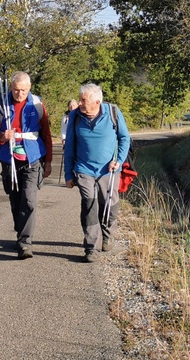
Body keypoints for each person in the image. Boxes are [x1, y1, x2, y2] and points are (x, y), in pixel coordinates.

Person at [0, 71, 54, 260]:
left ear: (29, 88)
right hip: (9, 159)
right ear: (10, 88)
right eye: (16, 90)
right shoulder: (0, 105)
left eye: (23, 90)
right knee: (15, 200)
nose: (19, 94)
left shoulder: (37, 104)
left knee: (29, 199)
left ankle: (25, 243)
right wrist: (1, 137)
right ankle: (21, 229)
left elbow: (47, 134)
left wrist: (48, 161)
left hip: (33, 158)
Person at [63, 83, 131, 263]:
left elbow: (124, 138)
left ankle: (107, 235)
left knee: (109, 204)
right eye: (80, 99)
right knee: (89, 205)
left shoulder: (113, 113)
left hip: (108, 170)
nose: (79, 103)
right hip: (84, 170)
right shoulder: (75, 116)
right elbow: (69, 146)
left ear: (97, 102)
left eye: (83, 100)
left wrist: (119, 161)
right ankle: (90, 246)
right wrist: (68, 174)